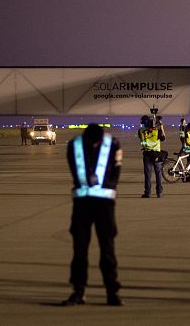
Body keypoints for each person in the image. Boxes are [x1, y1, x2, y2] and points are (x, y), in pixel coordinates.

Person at [61, 124, 123, 307]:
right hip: (84, 203)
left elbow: (115, 173)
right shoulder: (75, 145)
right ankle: (79, 291)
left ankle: (111, 292)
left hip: (102, 204)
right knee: (80, 250)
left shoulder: (113, 144)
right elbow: (75, 169)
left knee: (107, 250)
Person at [138, 115, 165, 197]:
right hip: (156, 154)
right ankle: (159, 192)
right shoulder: (157, 131)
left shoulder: (141, 131)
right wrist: (161, 126)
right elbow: (163, 138)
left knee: (148, 175)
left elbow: (141, 139)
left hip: (147, 154)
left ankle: (147, 192)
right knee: (158, 174)